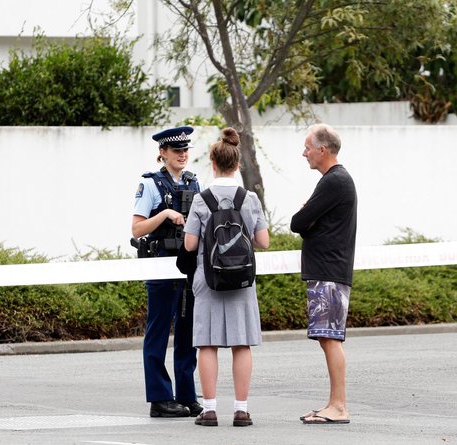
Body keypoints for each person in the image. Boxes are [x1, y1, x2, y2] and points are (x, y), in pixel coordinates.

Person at [183, 127, 269, 427]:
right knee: (240, 343)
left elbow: (191, 245)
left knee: (207, 344)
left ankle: (208, 410)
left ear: (213, 162)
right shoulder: (249, 198)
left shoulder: (200, 199)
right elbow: (263, 241)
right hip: (242, 280)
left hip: (208, 279)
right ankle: (241, 410)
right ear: (237, 164)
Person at [131, 125, 203, 418]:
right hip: (161, 265)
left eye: (185, 150)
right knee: (158, 332)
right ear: (163, 153)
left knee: (188, 333)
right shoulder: (149, 184)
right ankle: (160, 398)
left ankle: (186, 395)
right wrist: (164, 214)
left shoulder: (193, 183)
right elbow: (136, 228)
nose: (182, 155)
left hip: (187, 266)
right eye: (176, 150)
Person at [290, 123, 357, 425]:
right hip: (328, 270)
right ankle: (334, 403)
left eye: (308, 147)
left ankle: (339, 406)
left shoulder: (335, 182)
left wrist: (307, 217)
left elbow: (298, 221)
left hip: (330, 271)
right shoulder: (334, 181)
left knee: (331, 339)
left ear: (323, 150)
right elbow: (305, 221)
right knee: (326, 338)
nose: (304, 153)